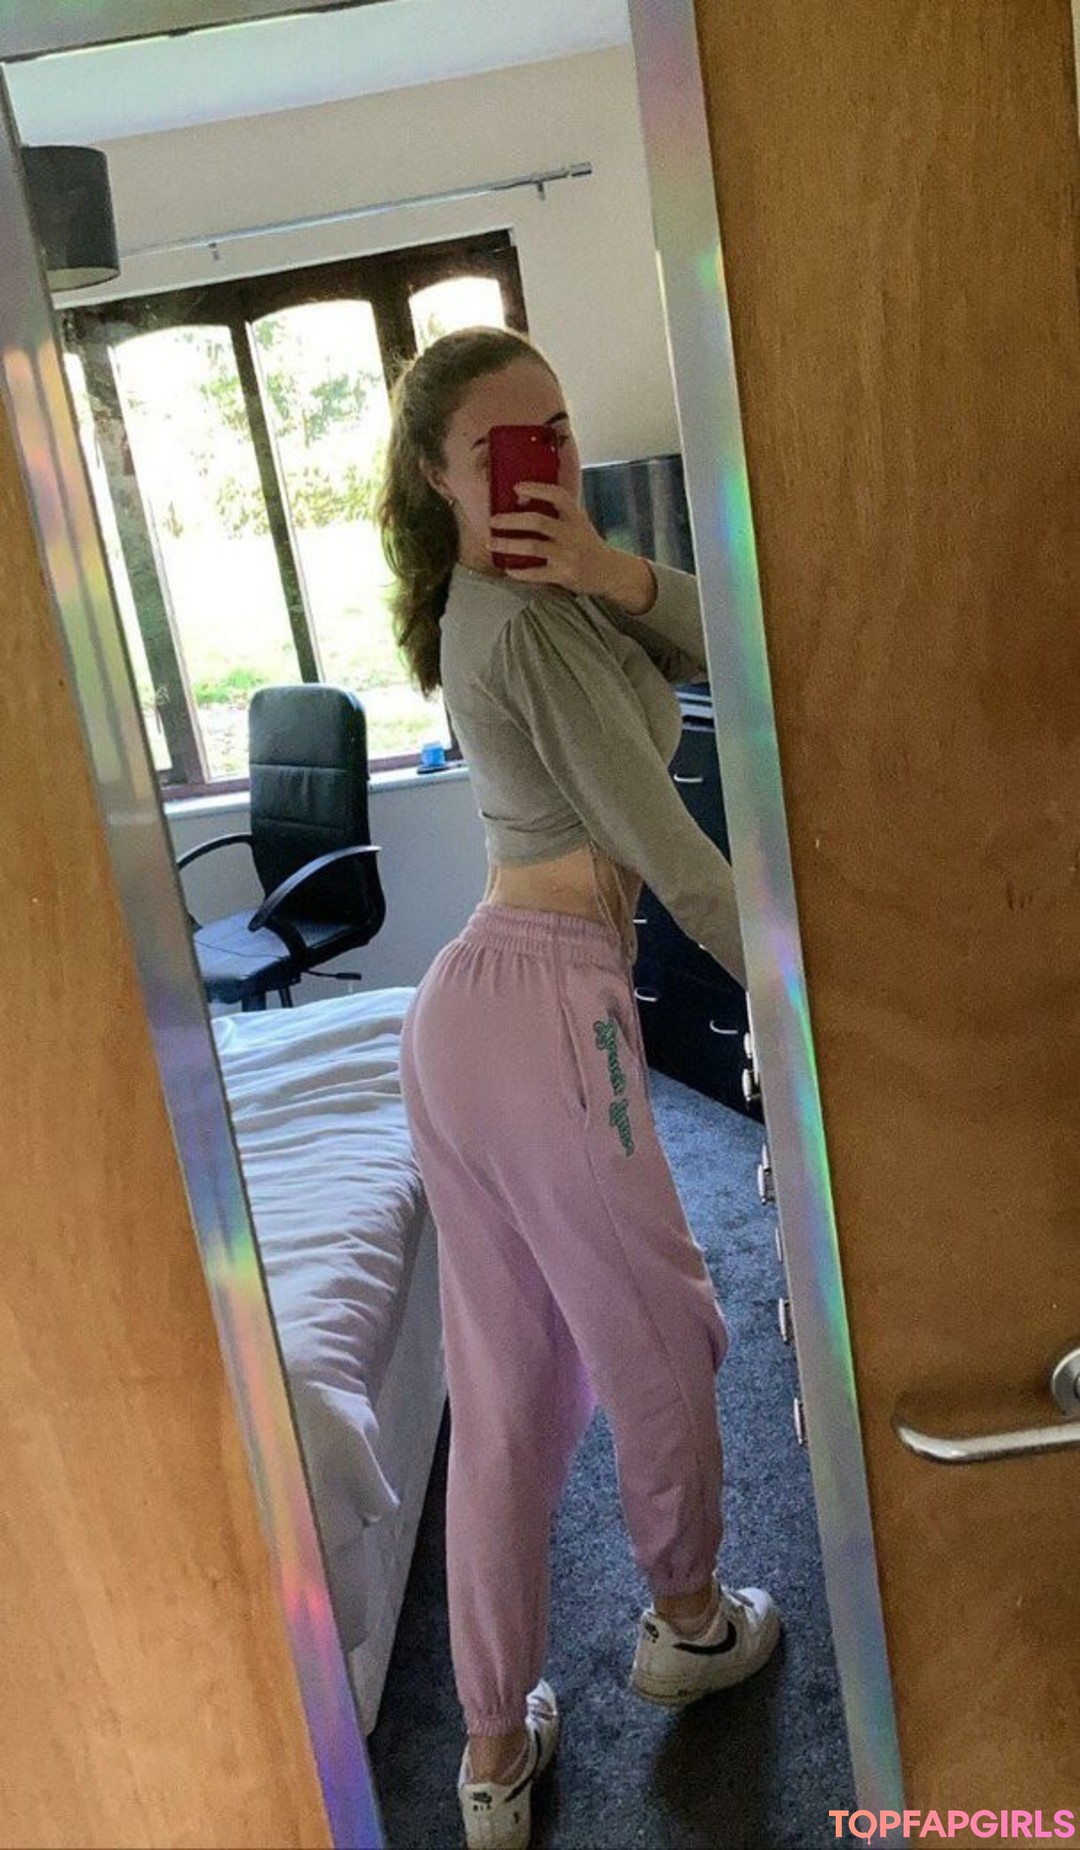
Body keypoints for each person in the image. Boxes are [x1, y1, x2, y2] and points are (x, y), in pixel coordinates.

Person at [377, 325, 779, 1850]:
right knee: (665, 1327)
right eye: (500, 445)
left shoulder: (528, 598)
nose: (537, 460)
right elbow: (669, 850)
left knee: (509, 1387)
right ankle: (689, 1618)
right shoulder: (527, 627)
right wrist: (804, 1011)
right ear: (438, 474)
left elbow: (716, 643)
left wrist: (612, 567)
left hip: (474, 1012)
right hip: (548, 1009)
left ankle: (492, 1748)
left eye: (552, 427)